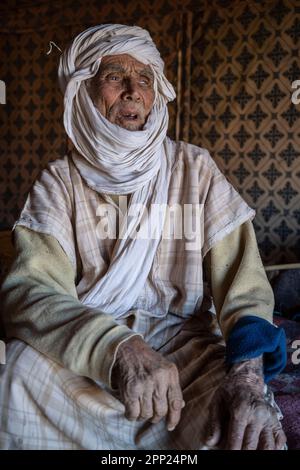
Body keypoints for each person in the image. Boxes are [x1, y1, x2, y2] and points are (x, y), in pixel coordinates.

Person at [0, 24, 287, 450]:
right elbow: (31, 292)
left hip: (185, 343)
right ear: (83, 92)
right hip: (92, 341)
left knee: (243, 424)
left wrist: (248, 378)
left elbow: (244, 286)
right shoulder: (59, 182)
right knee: (15, 377)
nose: (134, 91)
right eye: (115, 77)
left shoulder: (195, 169)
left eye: (146, 79)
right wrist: (119, 348)